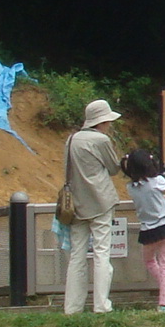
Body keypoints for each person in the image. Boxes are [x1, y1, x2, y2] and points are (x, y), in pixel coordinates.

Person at [63, 100, 122, 314]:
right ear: (102, 121)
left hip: (76, 204)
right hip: (101, 201)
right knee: (101, 252)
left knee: (77, 256)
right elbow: (114, 168)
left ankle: (72, 307)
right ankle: (101, 305)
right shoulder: (101, 140)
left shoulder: (71, 139)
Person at [124, 148, 165, 312]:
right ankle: (164, 303)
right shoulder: (157, 181)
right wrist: (163, 198)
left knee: (149, 261)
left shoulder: (131, 187)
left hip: (147, 229)